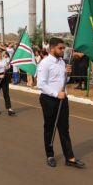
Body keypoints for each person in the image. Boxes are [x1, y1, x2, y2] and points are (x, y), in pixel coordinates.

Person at [37, 38, 85, 169]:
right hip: (49, 100)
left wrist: (67, 74)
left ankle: (70, 158)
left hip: (63, 99)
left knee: (64, 128)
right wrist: (56, 93)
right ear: (52, 48)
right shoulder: (45, 63)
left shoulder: (62, 62)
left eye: (63, 48)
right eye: (60, 48)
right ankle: (50, 155)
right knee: (49, 128)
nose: (63, 50)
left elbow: (66, 80)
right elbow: (40, 84)